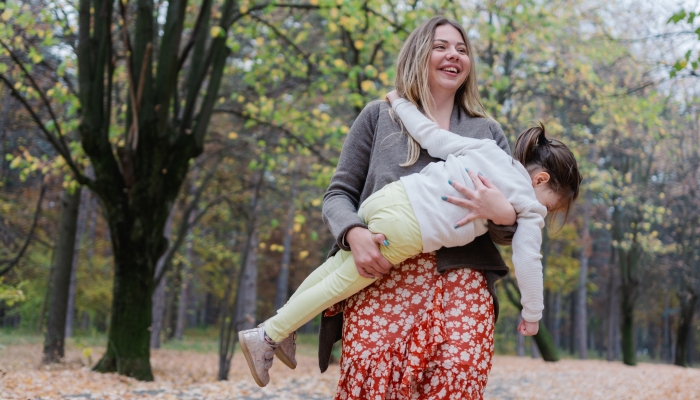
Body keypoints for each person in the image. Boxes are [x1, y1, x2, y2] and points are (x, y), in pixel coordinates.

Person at [246, 16, 529, 398]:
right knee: (374, 385)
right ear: (418, 54)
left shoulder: (487, 131)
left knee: (456, 382)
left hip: (463, 282)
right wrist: (353, 233)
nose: (454, 55)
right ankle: (274, 332)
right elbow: (338, 194)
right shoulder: (379, 117)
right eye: (441, 46)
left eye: (462, 50)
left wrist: (503, 213)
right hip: (380, 272)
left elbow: (513, 225)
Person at [238, 91, 582, 386]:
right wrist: (533, 313)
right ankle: (267, 335)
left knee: (331, 271)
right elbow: (527, 261)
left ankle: (282, 328)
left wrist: (399, 102)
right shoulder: (529, 205)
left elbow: (430, 136)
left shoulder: (488, 147)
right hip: (409, 229)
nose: (544, 213)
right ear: (540, 180)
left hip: (390, 198)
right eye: (551, 207)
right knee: (340, 283)